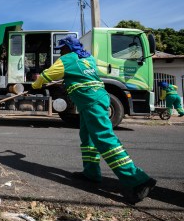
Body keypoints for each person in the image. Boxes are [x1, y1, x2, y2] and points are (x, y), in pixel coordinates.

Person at [31, 35, 156, 204]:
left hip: (91, 102)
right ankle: (91, 173)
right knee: (87, 137)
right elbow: (83, 77)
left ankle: (138, 180)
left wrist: (35, 84)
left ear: (67, 49)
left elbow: (45, 77)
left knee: (104, 138)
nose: (60, 52)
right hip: (95, 100)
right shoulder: (88, 58)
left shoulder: (66, 60)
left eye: (62, 49)